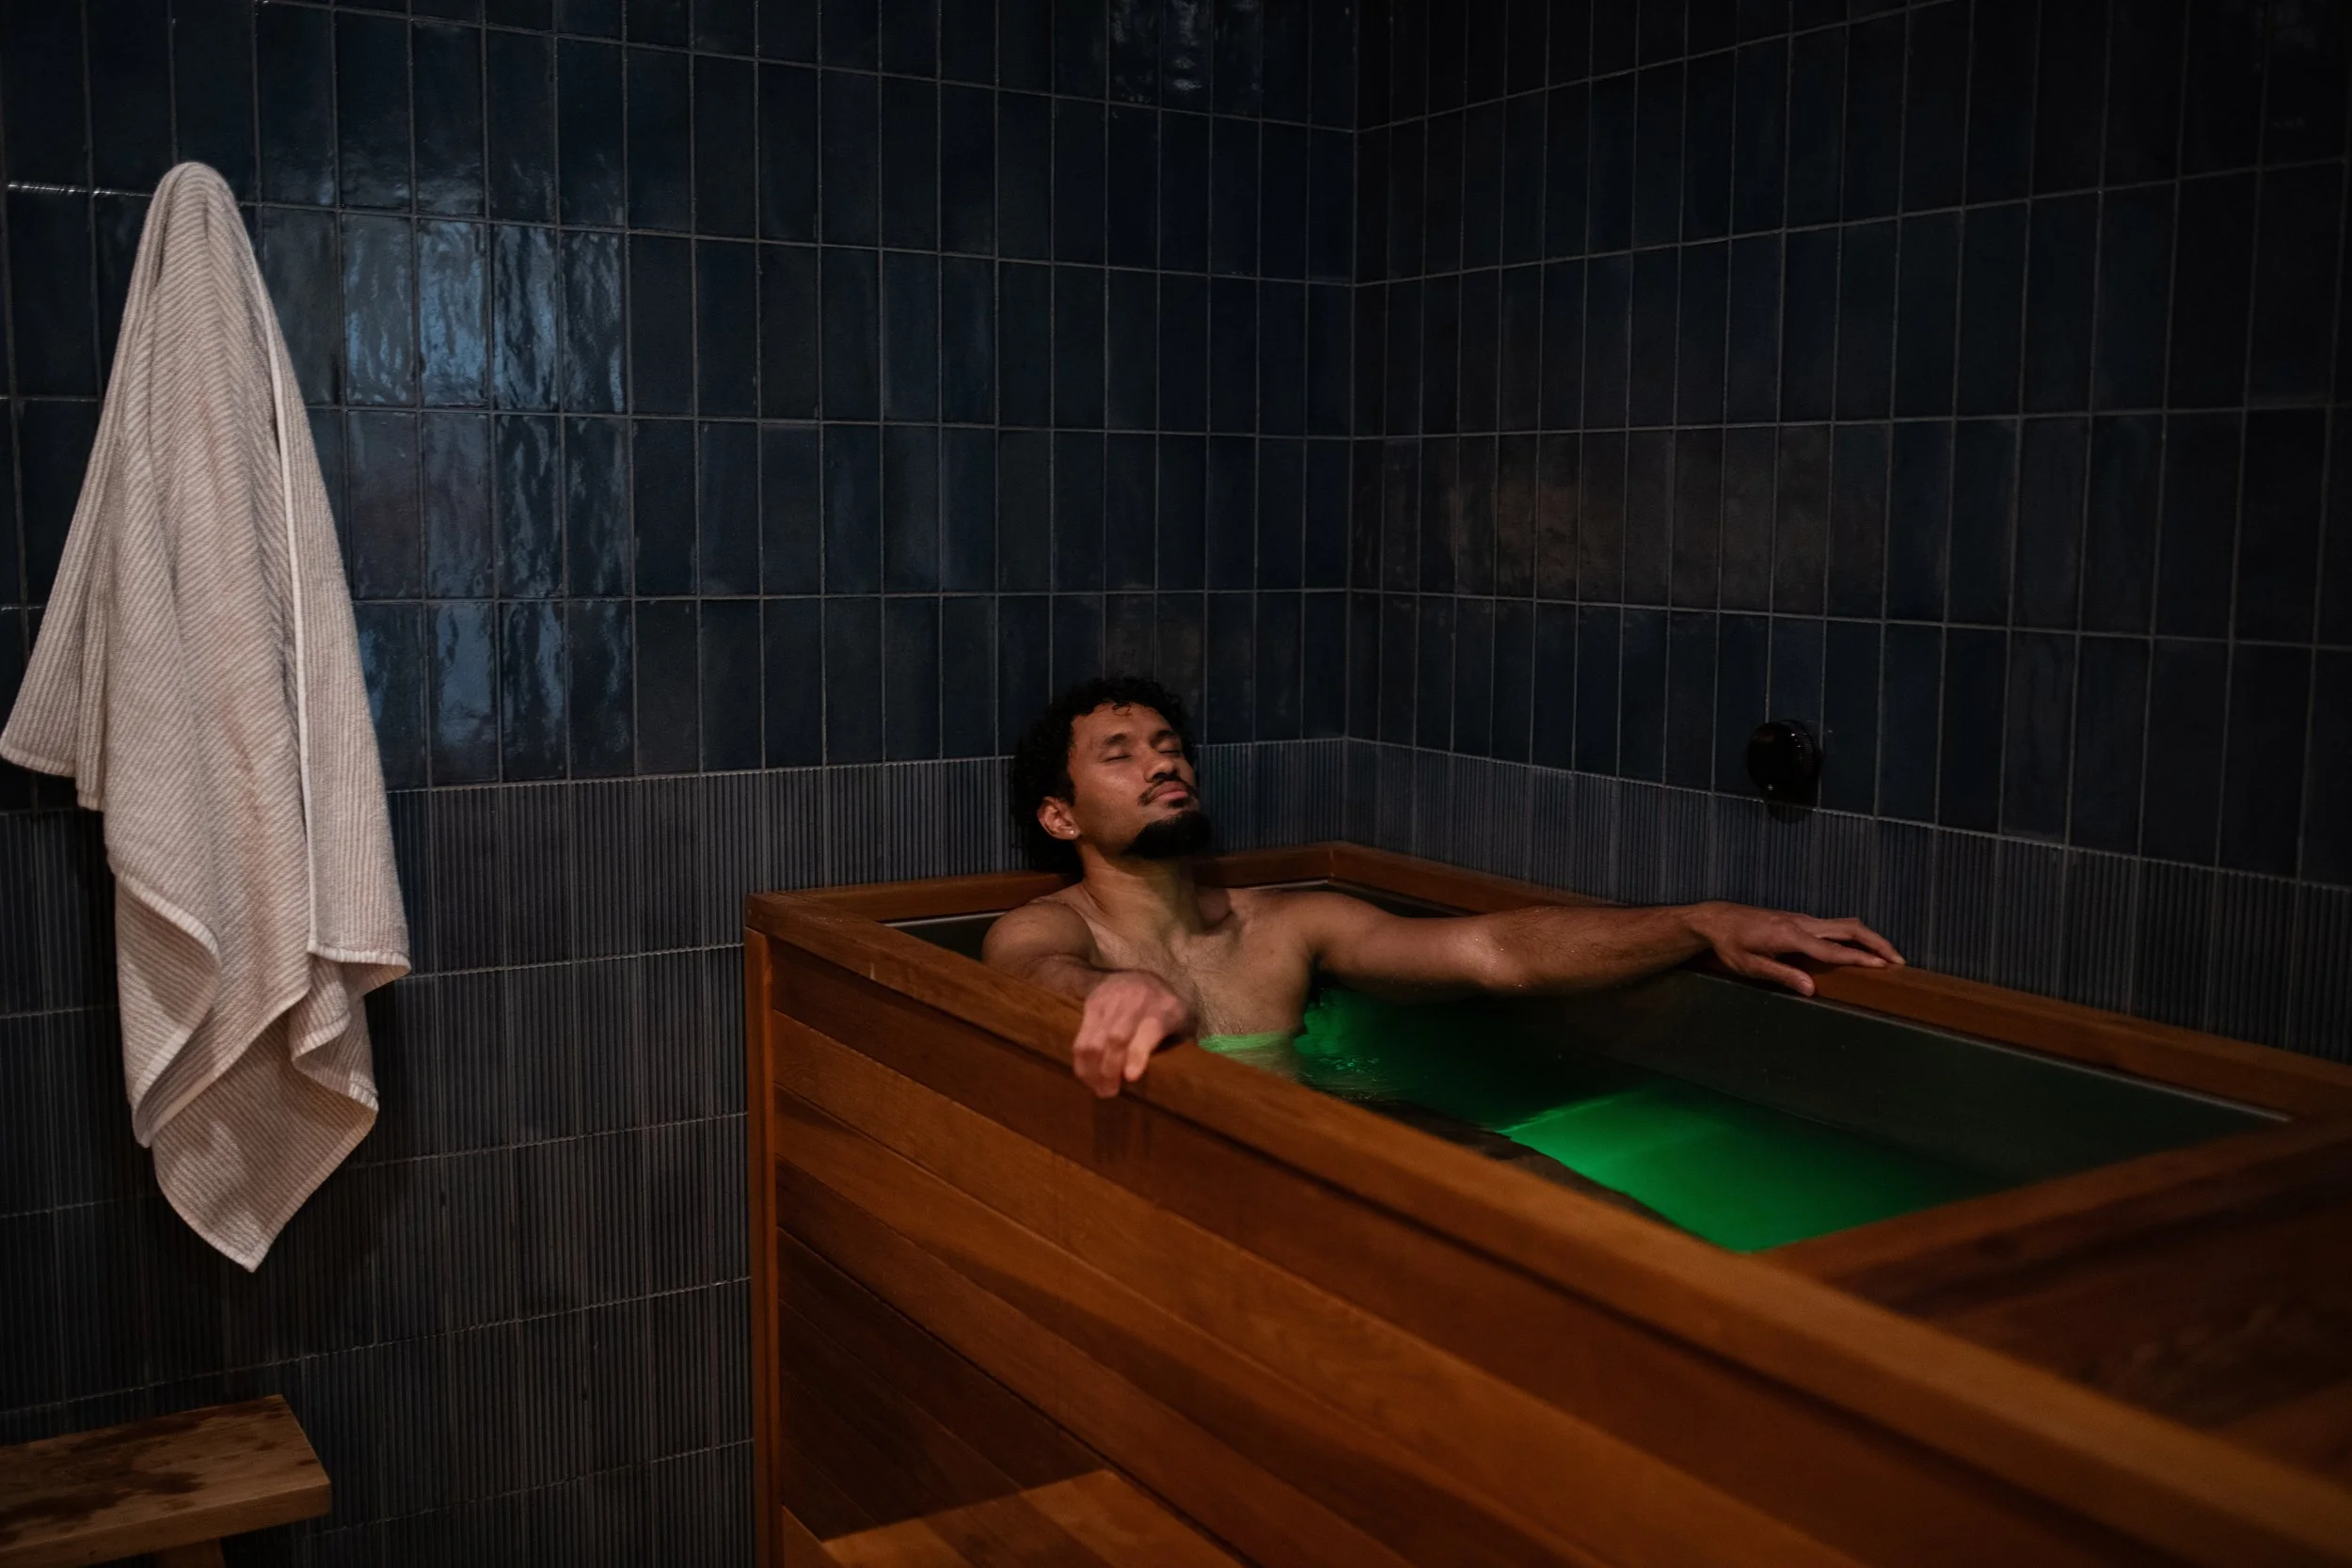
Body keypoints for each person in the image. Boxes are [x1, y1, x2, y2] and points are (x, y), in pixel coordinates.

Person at [984, 676, 1906, 1099]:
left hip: (1327, 1152)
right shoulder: (1043, 930)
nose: (1162, 764)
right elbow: (1034, 972)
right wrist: (1111, 990)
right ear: (1060, 816)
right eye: (1121, 755)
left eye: (1169, 747)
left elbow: (1494, 953)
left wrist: (1700, 922)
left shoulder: (1289, 925)